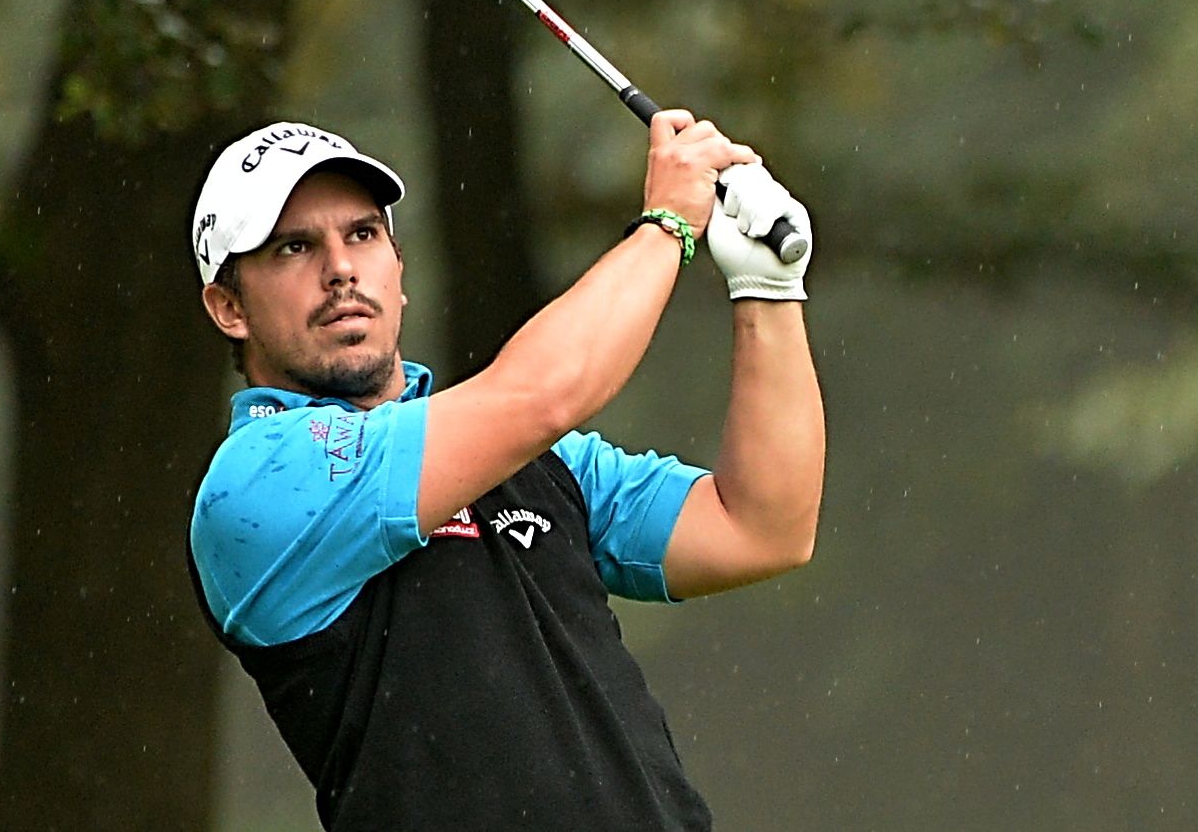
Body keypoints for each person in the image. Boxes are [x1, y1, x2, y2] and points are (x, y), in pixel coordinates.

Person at [186, 112, 823, 831]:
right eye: (294, 247)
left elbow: (760, 528)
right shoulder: (256, 480)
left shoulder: (533, 459)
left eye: (362, 234)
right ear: (229, 307)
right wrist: (667, 225)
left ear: (398, 272)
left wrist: (769, 291)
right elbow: (542, 395)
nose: (340, 268)